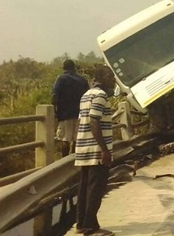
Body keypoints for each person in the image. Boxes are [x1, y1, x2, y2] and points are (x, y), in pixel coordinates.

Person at [74, 65, 116, 236]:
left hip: (83, 147)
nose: (113, 80)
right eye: (110, 77)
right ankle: (90, 227)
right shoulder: (100, 95)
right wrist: (104, 150)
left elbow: (81, 121)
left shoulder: (86, 95)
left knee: (84, 187)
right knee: (96, 188)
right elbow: (94, 121)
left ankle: (81, 223)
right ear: (102, 78)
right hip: (96, 149)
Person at [52, 59, 89, 156]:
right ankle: (74, 160)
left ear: (64, 67)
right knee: (77, 139)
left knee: (65, 139)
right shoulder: (83, 80)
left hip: (65, 114)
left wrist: (54, 110)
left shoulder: (61, 79)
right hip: (80, 113)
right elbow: (87, 96)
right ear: (74, 67)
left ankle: (64, 160)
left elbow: (55, 95)